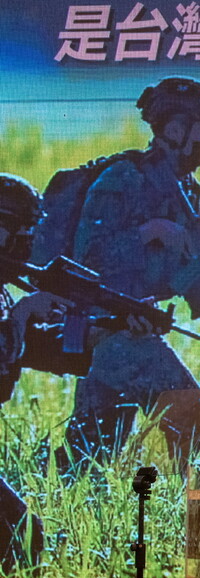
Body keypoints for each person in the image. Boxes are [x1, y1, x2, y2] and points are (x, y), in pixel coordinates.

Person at [53, 77, 200, 478]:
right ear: (173, 128)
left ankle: (32, 525)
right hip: (106, 333)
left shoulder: (185, 188)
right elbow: (88, 258)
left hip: (132, 333)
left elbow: (182, 270)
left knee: (86, 460)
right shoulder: (124, 178)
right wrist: (149, 232)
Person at [0, 174, 74, 572]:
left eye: (28, 232)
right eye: (13, 231)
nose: (21, 243)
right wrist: (24, 313)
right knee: (22, 535)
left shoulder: (5, 291)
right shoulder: (12, 300)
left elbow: (56, 355)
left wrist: (111, 327)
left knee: (24, 537)